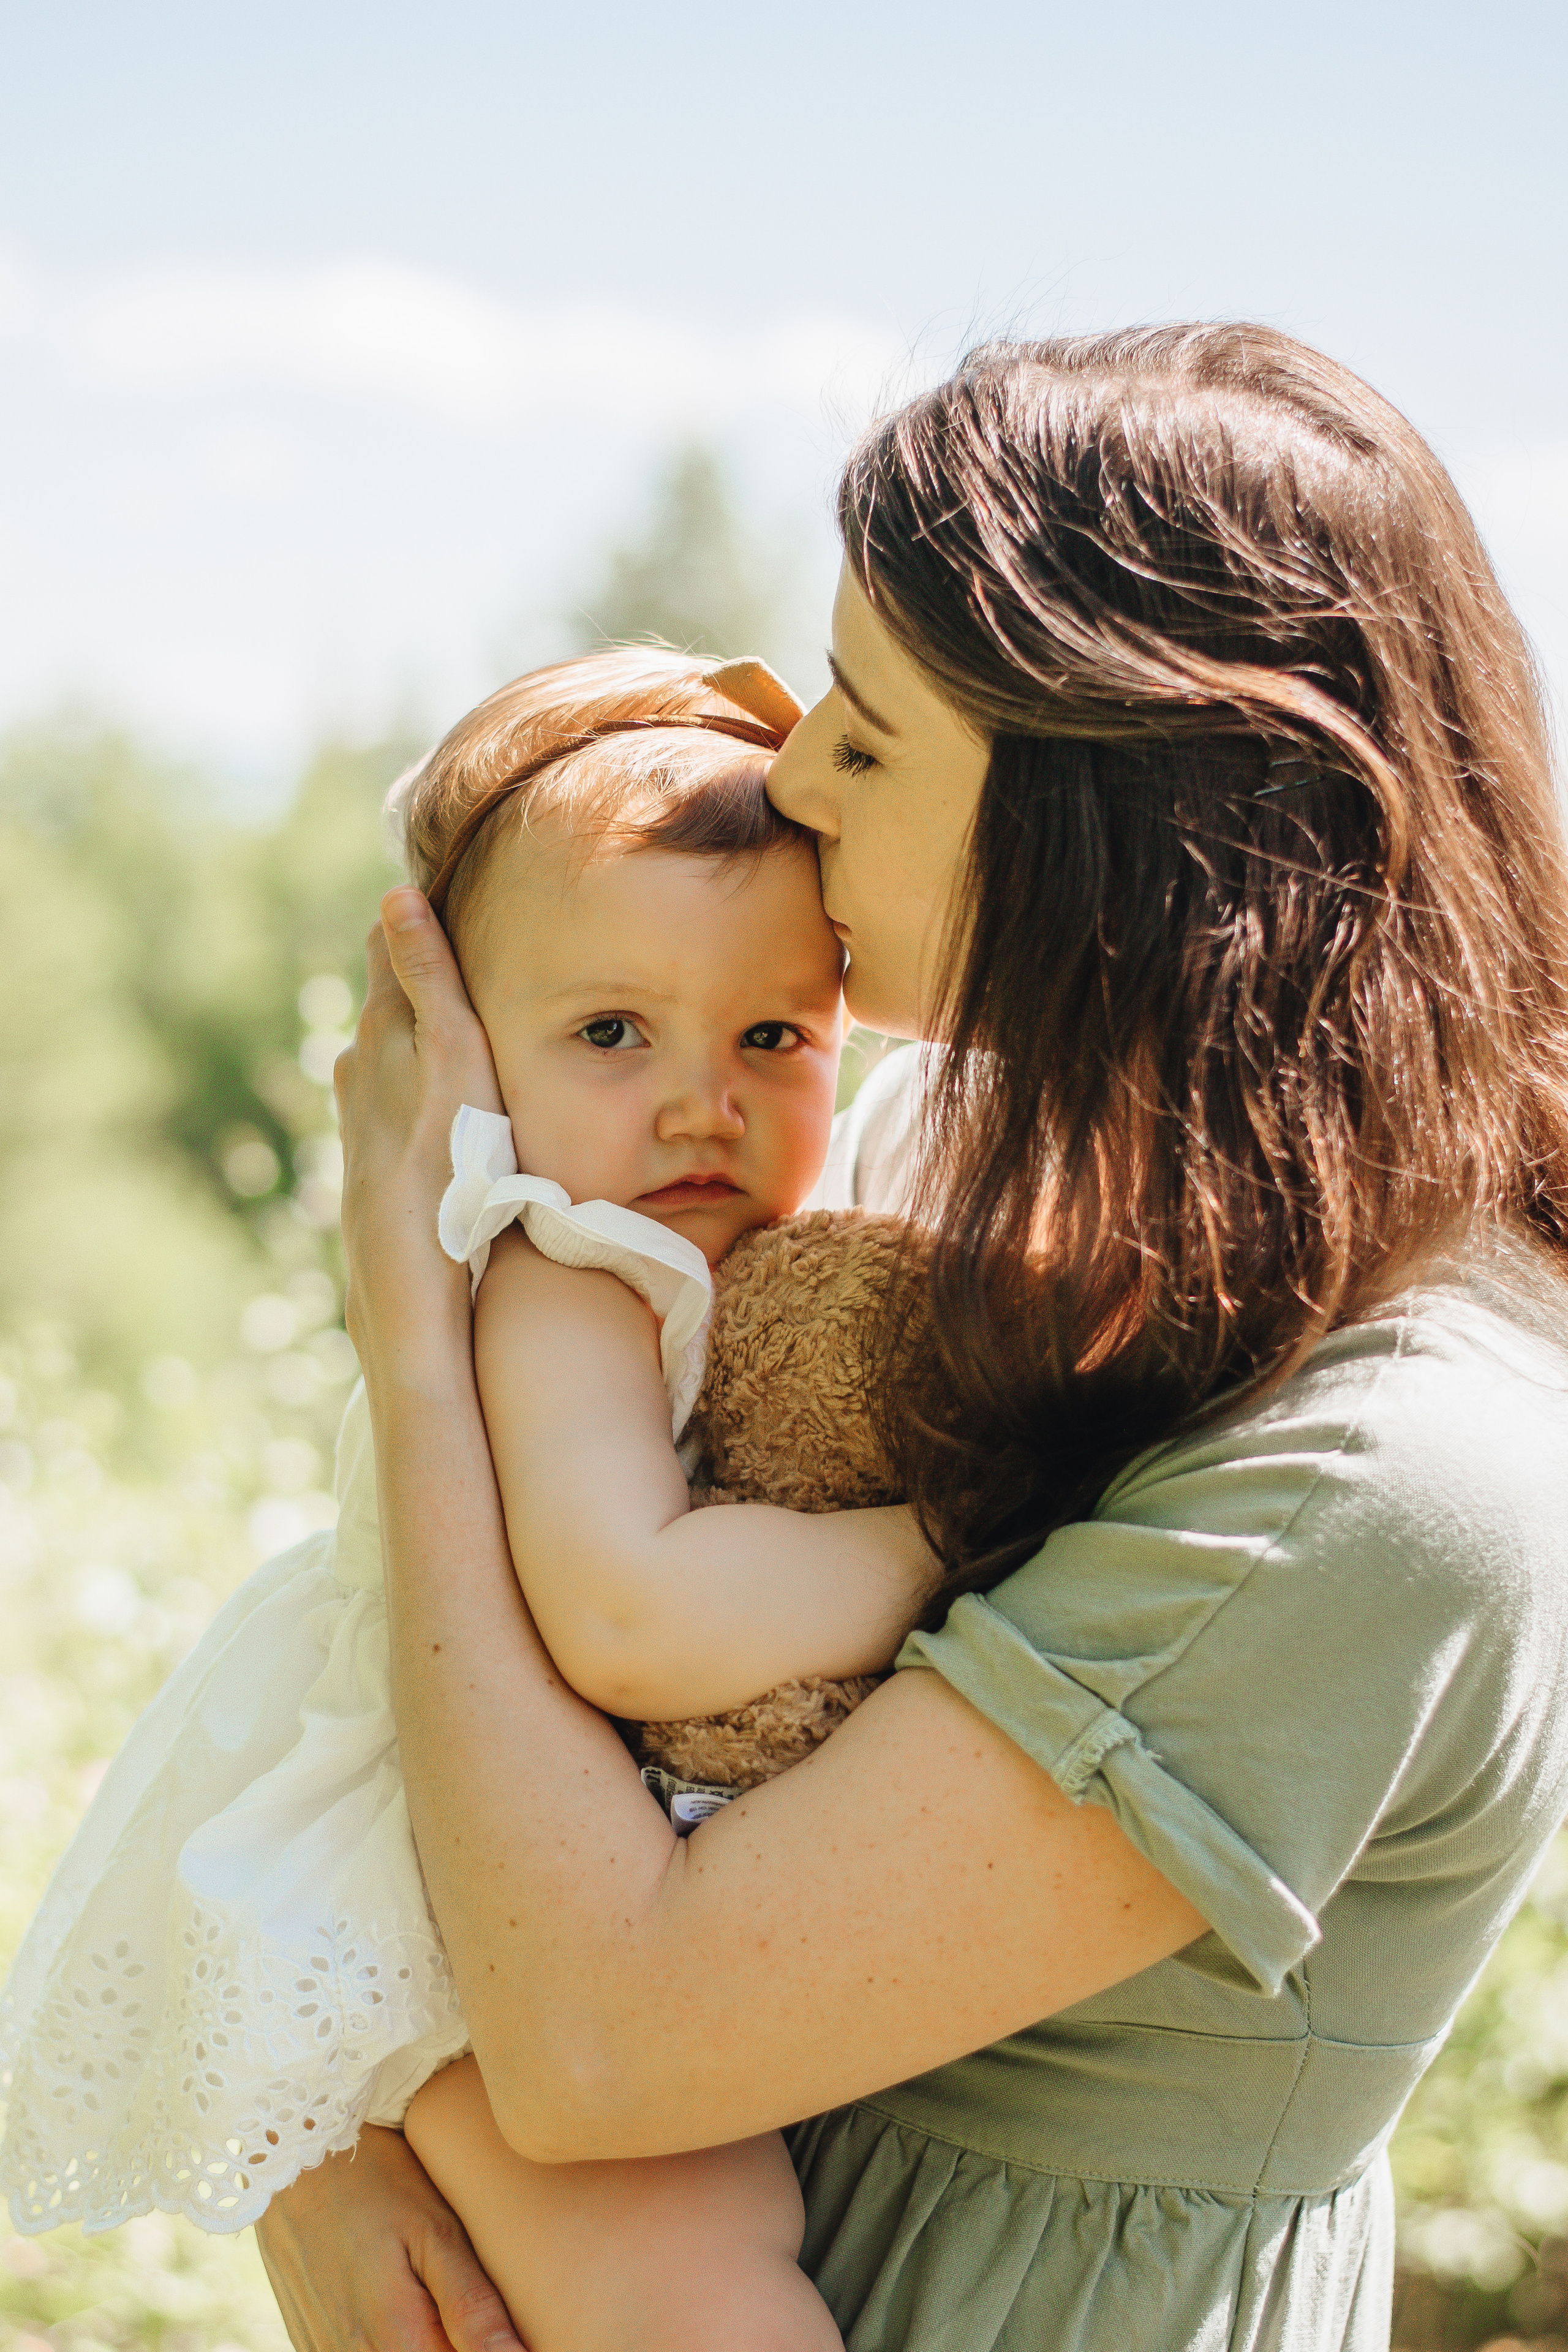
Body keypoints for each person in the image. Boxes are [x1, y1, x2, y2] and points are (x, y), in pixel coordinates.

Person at [260, 323, 1568, 2352]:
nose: (789, 779)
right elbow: (420, 1681)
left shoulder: (1393, 1467)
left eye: (870, 740)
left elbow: (609, 2046)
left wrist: (417, 1324)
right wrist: (347, 2130)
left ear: (1115, 818)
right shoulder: (923, 1139)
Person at [1, 647, 951, 2351]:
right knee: (707, 2294)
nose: (698, 1100)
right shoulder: (564, 1272)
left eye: (770, 1035)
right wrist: (953, 1533)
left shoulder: (717, 1259)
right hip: (447, 1903)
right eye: (609, 1032)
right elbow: (631, 1614)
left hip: (517, 1870)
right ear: (468, 1062)